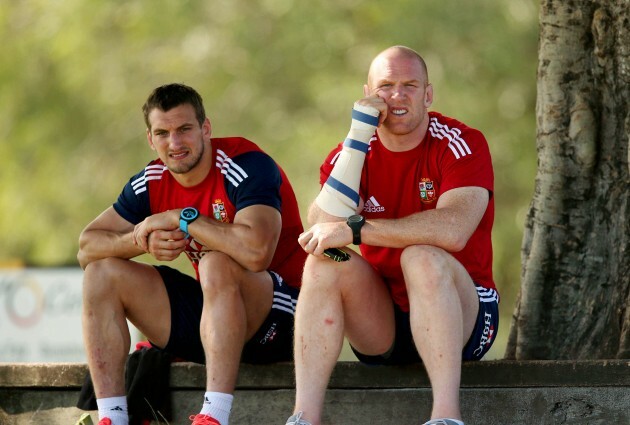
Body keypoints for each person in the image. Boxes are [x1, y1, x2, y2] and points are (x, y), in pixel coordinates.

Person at [284, 46, 499, 425]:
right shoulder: (351, 151)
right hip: (384, 319)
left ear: (428, 94)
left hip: (464, 315)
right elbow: (319, 228)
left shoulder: (461, 143)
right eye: (385, 86)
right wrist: (357, 134)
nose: (396, 96)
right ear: (367, 93)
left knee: (421, 255)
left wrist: (357, 228)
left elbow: (453, 230)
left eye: (409, 85)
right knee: (323, 262)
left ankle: (446, 418)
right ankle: (305, 417)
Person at [77, 83, 307, 425]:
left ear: (206, 129)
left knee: (216, 262)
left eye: (184, 129)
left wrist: (181, 218)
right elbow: (86, 247)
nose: (175, 143)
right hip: (214, 321)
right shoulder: (151, 179)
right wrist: (143, 242)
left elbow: (257, 253)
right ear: (150, 139)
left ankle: (214, 416)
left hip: (280, 318)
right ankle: (113, 417)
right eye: (163, 133)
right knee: (100, 273)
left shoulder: (248, 164)